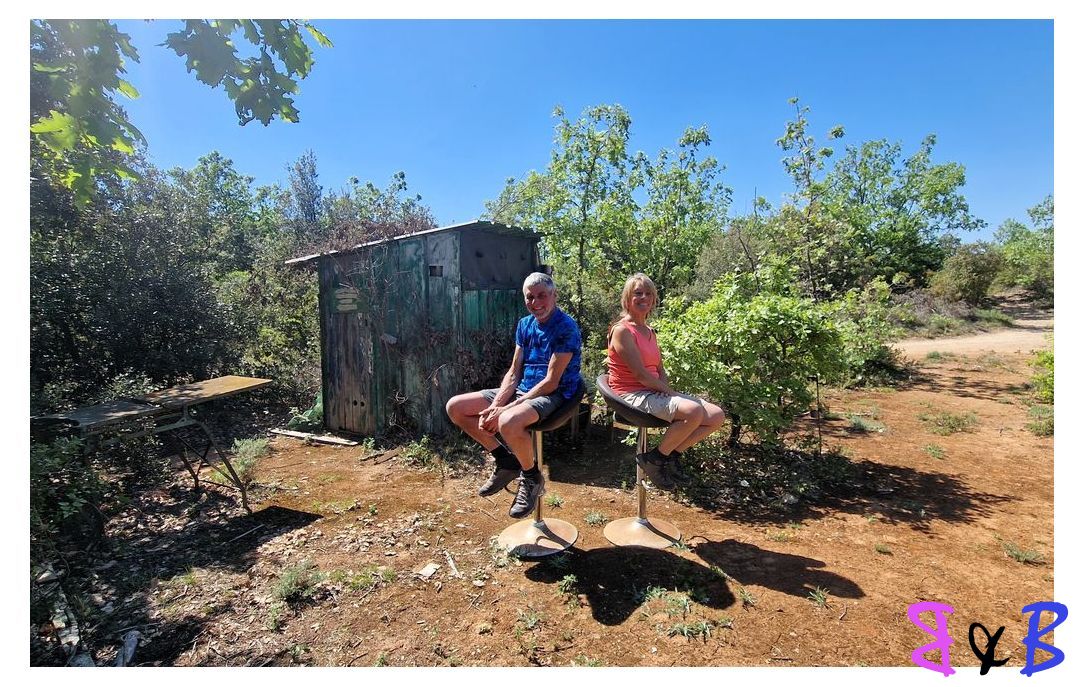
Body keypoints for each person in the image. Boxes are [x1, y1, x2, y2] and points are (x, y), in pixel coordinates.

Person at [446, 272, 583, 518]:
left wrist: (506, 410)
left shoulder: (566, 328)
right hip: (523, 389)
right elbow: (513, 372)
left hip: (555, 393)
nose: (536, 302)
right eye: (530, 297)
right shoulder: (525, 324)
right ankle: (505, 460)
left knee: (508, 421)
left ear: (554, 295)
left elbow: (551, 382)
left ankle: (531, 477)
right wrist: (495, 405)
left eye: (542, 295)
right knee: (456, 407)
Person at [607, 273, 726, 489]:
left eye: (649, 294)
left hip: (651, 390)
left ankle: (670, 456)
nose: (644, 297)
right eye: (638, 293)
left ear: (654, 299)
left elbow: (658, 369)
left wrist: (664, 388)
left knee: (716, 416)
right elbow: (641, 375)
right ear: (627, 298)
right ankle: (654, 460)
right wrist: (671, 393)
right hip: (631, 393)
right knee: (693, 411)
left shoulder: (649, 331)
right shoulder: (622, 330)